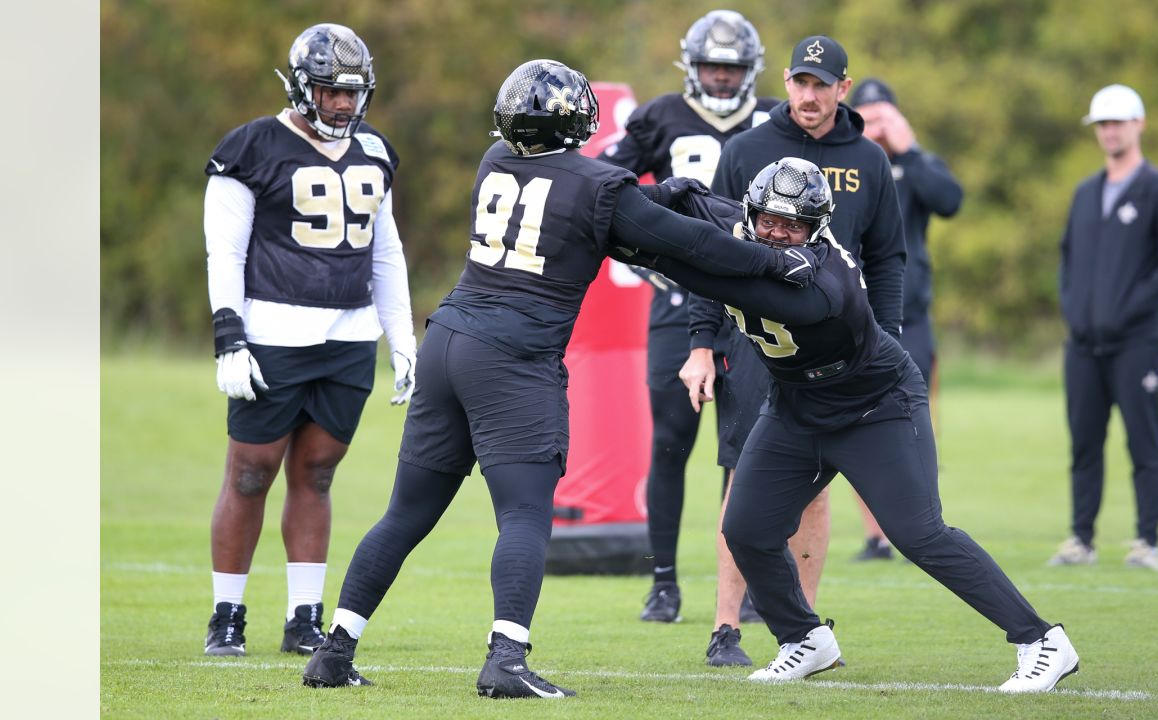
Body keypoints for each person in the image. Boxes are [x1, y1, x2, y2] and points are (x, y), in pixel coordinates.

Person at [300, 59, 820, 698]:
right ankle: (507, 659)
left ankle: (334, 650)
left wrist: (660, 192)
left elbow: (583, 212)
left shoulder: (495, 160)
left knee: (406, 511)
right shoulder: (597, 185)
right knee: (524, 513)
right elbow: (687, 245)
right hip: (512, 358)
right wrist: (776, 261)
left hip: (450, 339)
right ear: (576, 119)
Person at [652, 156, 1080, 692]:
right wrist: (651, 200)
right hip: (795, 405)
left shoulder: (826, 282)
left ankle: (1042, 641)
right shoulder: (745, 227)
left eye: (794, 226)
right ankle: (803, 638)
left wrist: (656, 245)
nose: (778, 234)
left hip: (873, 406)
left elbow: (739, 277)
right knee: (745, 528)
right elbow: (703, 205)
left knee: (919, 533)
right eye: (769, 221)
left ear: (817, 229)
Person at [599, 11, 815, 665]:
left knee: (750, 449)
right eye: (712, 66)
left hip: (754, 301)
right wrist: (646, 250)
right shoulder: (661, 115)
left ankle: (750, 586)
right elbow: (609, 184)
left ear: (750, 70)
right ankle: (663, 581)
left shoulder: (776, 117)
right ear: (692, 66)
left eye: (731, 67)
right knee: (670, 440)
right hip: (676, 302)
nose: (721, 78)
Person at [683, 33, 907, 652]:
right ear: (785, 82)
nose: (809, 96)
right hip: (753, 340)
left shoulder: (868, 159)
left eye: (822, 85)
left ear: (842, 88)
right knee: (740, 475)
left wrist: (887, 343)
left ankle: (802, 628)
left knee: (816, 483)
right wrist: (701, 343)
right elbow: (708, 252)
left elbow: (887, 259)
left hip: (837, 349)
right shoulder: (747, 149)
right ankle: (726, 626)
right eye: (800, 83)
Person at [201, 23, 417, 658]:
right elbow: (225, 251)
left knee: (317, 474)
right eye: (329, 92)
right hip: (272, 333)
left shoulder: (374, 151)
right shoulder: (251, 147)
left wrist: (401, 337)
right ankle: (227, 614)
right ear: (301, 88)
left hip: (348, 337)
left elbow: (387, 252)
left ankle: (303, 617)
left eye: (351, 93)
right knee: (250, 473)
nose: (343, 105)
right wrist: (228, 335)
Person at [1049, 84, 1158, 571]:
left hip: (1135, 342)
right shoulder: (1086, 193)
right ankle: (1081, 539)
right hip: (1083, 344)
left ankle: (1147, 541)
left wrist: (1128, 308)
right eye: (1102, 124)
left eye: (1118, 122)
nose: (1110, 131)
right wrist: (1073, 308)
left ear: (1138, 125)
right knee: (1084, 442)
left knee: (1142, 441)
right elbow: (1067, 259)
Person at [845, 77, 964, 562]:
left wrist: (908, 148)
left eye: (883, 113)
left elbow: (950, 200)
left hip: (908, 317)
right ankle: (876, 535)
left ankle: (921, 525)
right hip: (851, 317)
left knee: (911, 421)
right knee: (852, 422)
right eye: (866, 113)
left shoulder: (916, 167)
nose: (876, 122)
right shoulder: (843, 165)